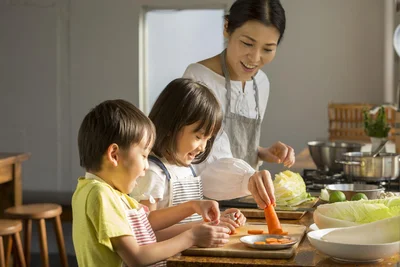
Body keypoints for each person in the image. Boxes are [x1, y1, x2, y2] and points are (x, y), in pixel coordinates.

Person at [72, 99, 230, 267]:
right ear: (114, 155)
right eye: (144, 156)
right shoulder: (100, 195)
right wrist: (191, 237)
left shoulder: (108, 193)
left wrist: (193, 206)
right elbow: (136, 257)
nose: (147, 166)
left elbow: (148, 221)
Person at [182, 0, 295, 209]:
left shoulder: (261, 83)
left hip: (247, 202)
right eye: (247, 43)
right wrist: (248, 179)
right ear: (227, 28)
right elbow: (202, 157)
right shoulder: (198, 78)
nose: (255, 58)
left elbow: (227, 142)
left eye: (268, 49)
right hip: (206, 206)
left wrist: (260, 151)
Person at [131, 78, 246, 231]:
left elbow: (194, 220)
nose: (203, 147)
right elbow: (147, 229)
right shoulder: (152, 172)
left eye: (208, 139)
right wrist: (198, 227)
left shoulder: (187, 168)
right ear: (171, 126)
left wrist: (220, 219)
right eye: (198, 137)